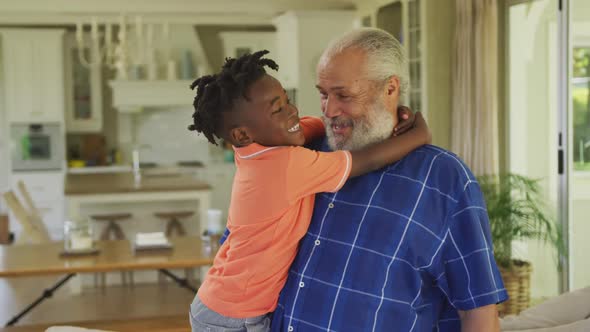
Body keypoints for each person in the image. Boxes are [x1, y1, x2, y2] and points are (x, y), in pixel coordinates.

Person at [270, 28, 508, 332]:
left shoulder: (443, 179)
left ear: (390, 89)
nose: (329, 110)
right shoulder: (305, 154)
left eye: (344, 95)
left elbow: (478, 312)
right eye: (323, 94)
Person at [186, 50, 431, 331]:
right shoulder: (285, 165)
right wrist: (419, 136)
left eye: (288, 101)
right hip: (232, 316)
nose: (292, 111)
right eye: (278, 109)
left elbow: (310, 127)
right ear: (242, 134)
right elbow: (367, 160)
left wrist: (360, 121)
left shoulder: (256, 149)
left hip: (222, 300)